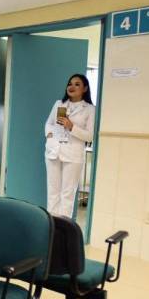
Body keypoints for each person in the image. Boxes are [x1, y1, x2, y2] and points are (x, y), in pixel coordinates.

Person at [44, 73, 95, 217]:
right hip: (53, 151)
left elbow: (90, 135)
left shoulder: (90, 109)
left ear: (85, 88)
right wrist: (49, 136)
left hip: (73, 155)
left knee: (67, 194)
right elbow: (49, 123)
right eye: (70, 84)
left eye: (77, 84)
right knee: (52, 191)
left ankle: (63, 228)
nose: (71, 87)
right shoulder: (59, 104)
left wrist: (71, 126)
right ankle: (52, 226)